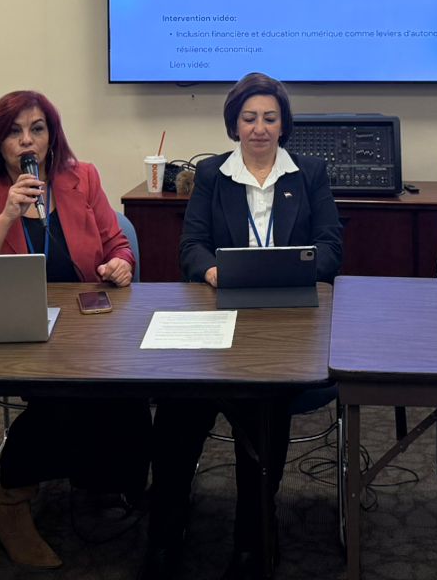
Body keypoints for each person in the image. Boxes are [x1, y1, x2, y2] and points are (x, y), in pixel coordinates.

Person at [142, 72, 343, 580]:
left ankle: (253, 537)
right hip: (218, 314)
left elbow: (331, 248)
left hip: (286, 321)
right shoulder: (213, 174)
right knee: (179, 406)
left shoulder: (309, 173)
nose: (259, 128)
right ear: (235, 124)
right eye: (249, 118)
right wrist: (214, 271)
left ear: (283, 125)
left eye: (269, 118)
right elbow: (191, 247)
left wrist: (291, 271)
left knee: (262, 408)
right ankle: (165, 531)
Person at [0, 90, 146, 570]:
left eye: (37, 129)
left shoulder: (81, 177)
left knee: (129, 384)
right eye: (14, 132)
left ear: (51, 137)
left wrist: (120, 264)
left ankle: (100, 484)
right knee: (62, 392)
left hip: (83, 324)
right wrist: (8, 214)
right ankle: (12, 505)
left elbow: (117, 244)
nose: (26, 141)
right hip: (8, 324)